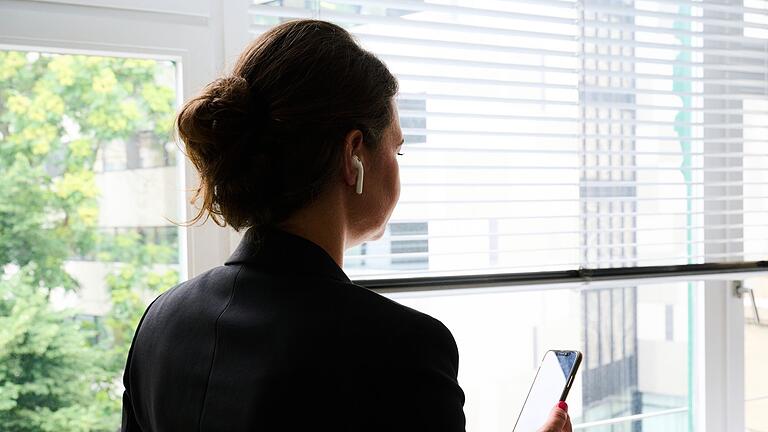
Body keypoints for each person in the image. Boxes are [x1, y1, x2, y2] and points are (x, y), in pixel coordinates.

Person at [120, 19, 572, 432]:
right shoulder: (399, 349)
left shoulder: (162, 320)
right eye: (397, 150)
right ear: (354, 153)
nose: (397, 167)